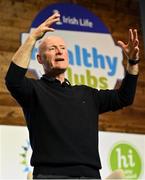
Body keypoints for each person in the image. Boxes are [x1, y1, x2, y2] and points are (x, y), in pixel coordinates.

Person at [5, 12, 140, 179]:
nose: (59, 51)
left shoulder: (87, 93)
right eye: (52, 48)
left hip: (90, 176)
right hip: (51, 175)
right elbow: (13, 80)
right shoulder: (34, 90)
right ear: (39, 59)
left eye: (62, 48)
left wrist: (133, 63)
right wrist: (33, 38)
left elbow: (124, 97)